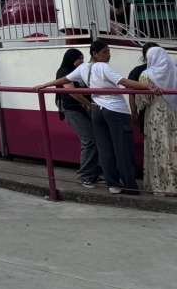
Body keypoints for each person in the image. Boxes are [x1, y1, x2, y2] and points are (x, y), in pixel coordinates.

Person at [35, 40, 158, 196]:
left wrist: (43, 85)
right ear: (95, 54)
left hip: (97, 110)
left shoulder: (83, 68)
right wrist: (149, 86)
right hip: (115, 110)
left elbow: (65, 80)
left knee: (105, 148)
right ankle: (129, 185)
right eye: (105, 52)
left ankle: (113, 184)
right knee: (123, 148)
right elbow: (124, 82)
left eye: (109, 52)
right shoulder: (103, 67)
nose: (108, 55)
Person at [53, 48, 101, 187]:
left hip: (82, 110)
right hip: (74, 111)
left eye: (82, 58)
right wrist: (89, 105)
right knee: (89, 140)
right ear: (71, 59)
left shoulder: (78, 73)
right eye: (79, 59)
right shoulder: (64, 72)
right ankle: (85, 175)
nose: (82, 61)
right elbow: (72, 92)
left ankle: (92, 174)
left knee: (94, 140)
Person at [135, 45, 177, 196]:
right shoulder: (175, 72)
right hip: (174, 115)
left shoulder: (146, 76)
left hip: (155, 117)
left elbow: (141, 101)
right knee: (173, 147)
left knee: (158, 148)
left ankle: (160, 186)